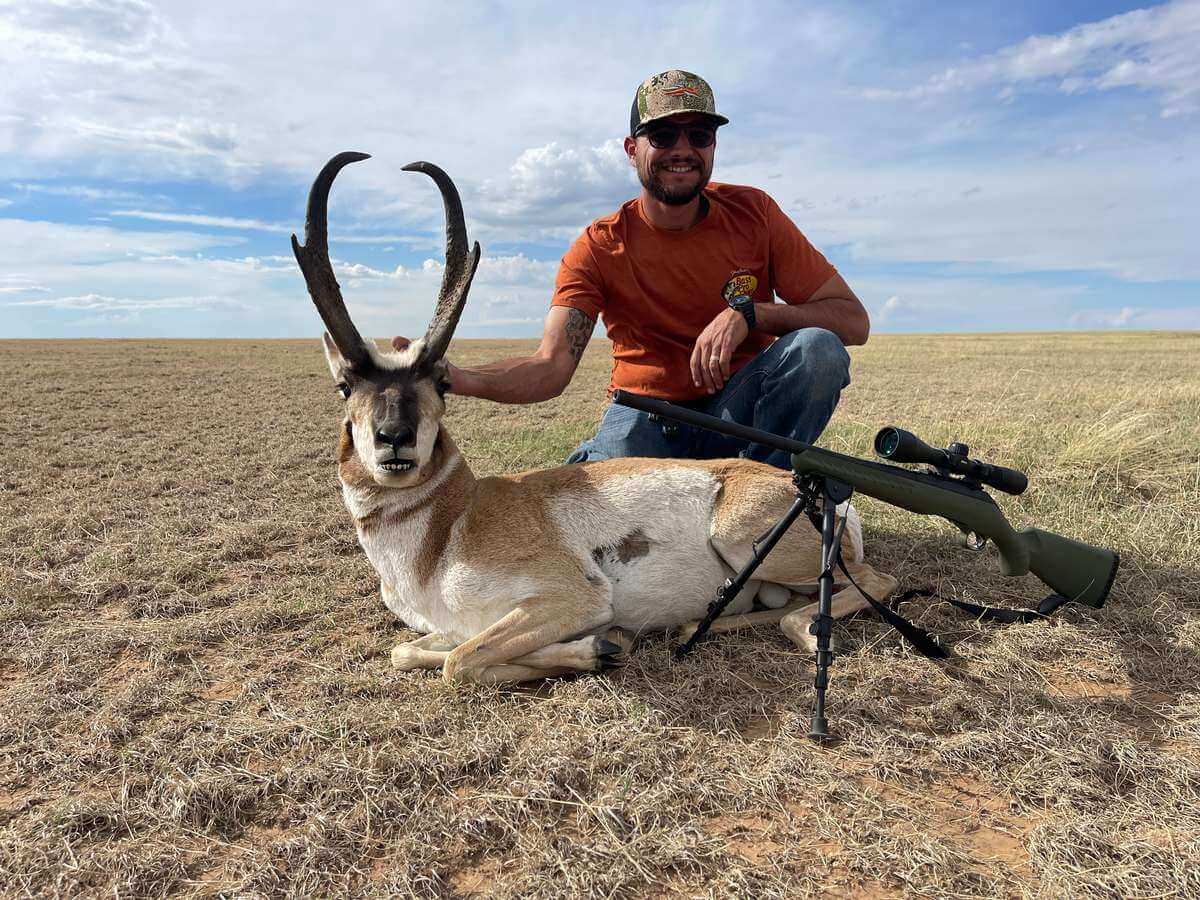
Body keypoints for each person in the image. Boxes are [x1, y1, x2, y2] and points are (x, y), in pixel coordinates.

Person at [396, 69, 870, 470]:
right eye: (663, 136)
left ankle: (763, 502)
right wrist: (457, 377)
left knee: (817, 351)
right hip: (647, 418)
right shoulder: (599, 246)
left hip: (737, 412)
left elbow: (852, 321)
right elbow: (551, 366)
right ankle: (602, 471)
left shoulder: (755, 213)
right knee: (593, 508)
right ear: (631, 148)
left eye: (699, 136)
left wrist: (750, 313)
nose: (683, 149)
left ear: (713, 146)